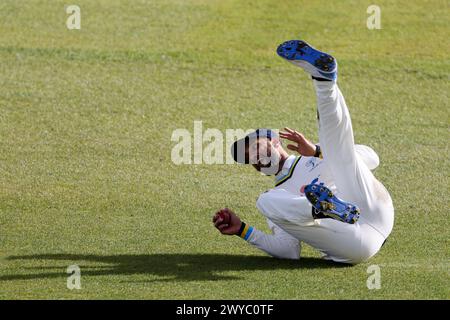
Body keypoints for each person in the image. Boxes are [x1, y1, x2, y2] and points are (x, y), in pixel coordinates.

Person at [212, 40, 394, 264]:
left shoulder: (315, 155)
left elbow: (372, 158)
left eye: (256, 147)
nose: (256, 157)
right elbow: (288, 250)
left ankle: (324, 81)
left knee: (337, 152)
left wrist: (318, 151)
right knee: (264, 202)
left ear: (275, 140)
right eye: (251, 159)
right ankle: (323, 210)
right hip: (351, 242)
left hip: (371, 205)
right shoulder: (278, 200)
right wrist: (243, 230)